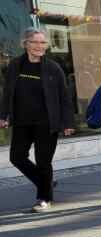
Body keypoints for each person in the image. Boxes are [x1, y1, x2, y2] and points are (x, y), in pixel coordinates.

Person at [0, 28, 74, 212]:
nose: (39, 46)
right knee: (16, 157)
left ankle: (44, 197)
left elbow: (64, 97)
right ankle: (46, 182)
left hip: (46, 122)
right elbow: (8, 92)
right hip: (22, 121)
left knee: (43, 161)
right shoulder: (16, 65)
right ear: (25, 44)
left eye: (43, 43)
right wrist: (4, 115)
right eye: (35, 42)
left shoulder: (53, 68)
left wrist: (67, 123)